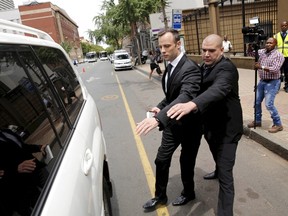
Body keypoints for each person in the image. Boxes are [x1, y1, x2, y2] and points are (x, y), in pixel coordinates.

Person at [167, 34, 243, 216]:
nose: (206, 54)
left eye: (212, 51)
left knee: (226, 175)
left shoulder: (227, 69)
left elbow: (219, 89)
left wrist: (192, 104)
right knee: (215, 153)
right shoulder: (204, 67)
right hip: (210, 126)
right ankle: (217, 169)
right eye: (204, 50)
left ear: (221, 50)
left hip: (228, 130)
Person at [135, 28, 202, 210]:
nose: (162, 50)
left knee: (186, 162)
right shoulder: (169, 66)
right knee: (161, 160)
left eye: (167, 46)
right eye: (160, 47)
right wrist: (160, 107)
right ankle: (160, 197)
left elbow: (185, 96)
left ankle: (189, 192)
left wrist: (158, 120)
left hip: (190, 126)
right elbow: (172, 96)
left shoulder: (191, 68)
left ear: (178, 44)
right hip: (172, 125)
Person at [0, 128, 48, 216]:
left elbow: (23, 147)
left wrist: (39, 147)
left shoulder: (6, 131)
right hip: (18, 187)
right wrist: (16, 169)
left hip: (35, 168)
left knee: (54, 190)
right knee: (41, 209)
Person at [247, 38, 284, 133]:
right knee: (257, 102)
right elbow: (251, 54)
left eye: (270, 43)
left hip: (273, 82)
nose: (268, 44)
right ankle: (258, 120)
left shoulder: (279, 55)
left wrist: (261, 67)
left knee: (269, 104)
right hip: (262, 81)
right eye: (267, 42)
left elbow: (275, 69)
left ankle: (278, 124)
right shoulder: (262, 51)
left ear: (275, 44)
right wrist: (250, 47)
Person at [274, 21, 288, 92]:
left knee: (287, 72)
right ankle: (277, 87)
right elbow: (273, 47)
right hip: (278, 57)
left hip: (287, 57)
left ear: (287, 26)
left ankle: (287, 86)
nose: (284, 27)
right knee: (277, 73)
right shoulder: (276, 36)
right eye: (282, 26)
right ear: (280, 26)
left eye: (285, 25)